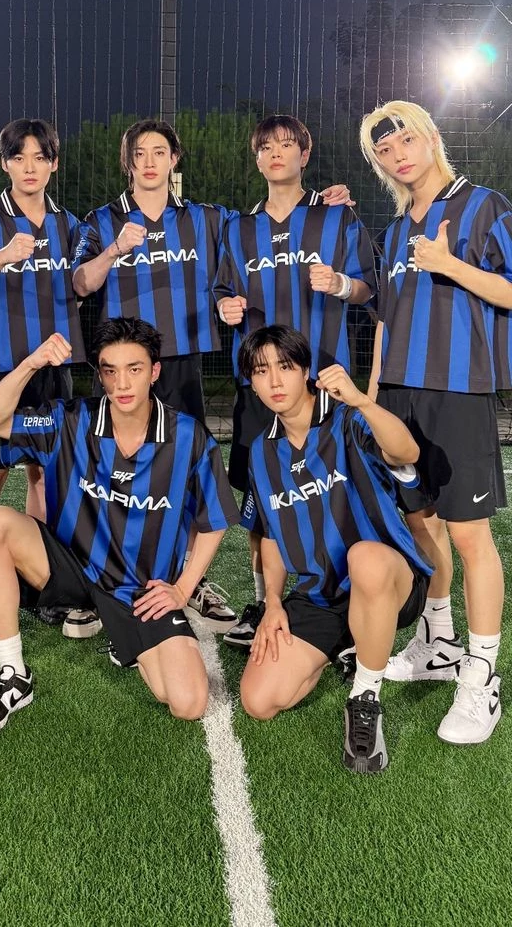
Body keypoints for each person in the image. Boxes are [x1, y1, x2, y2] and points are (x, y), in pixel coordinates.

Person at [0, 317, 239, 735]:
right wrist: (32, 363)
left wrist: (182, 589)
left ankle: (124, 637)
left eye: (134, 369)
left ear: (154, 371)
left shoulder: (188, 436)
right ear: (100, 375)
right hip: (72, 569)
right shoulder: (70, 420)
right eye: (110, 371)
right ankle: (13, 673)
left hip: (139, 590)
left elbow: (215, 519)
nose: (121, 383)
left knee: (189, 702)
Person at [360, 100, 511, 744]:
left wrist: (451, 266)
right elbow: (385, 321)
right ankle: (438, 643)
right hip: (400, 395)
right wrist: (373, 398)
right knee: (420, 524)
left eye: (406, 139)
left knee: (470, 535)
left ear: (431, 138)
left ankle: (482, 678)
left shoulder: (483, 206)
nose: (398, 154)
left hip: (459, 391)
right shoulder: (395, 230)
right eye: (384, 149)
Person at [237, 325, 432, 774]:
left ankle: (365, 696)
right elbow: (270, 535)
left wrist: (363, 400)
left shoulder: (347, 418)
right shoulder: (261, 452)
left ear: (306, 370)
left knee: (364, 557)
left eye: (285, 367)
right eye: (261, 371)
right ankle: (347, 645)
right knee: (259, 700)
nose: (275, 381)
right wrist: (272, 604)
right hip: (321, 596)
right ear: (251, 381)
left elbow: (407, 452)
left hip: (388, 580)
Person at [215, 114, 375, 649]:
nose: (276, 153)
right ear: (257, 158)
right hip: (260, 388)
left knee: (335, 492)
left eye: (287, 145)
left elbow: (369, 288)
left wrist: (341, 283)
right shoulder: (237, 229)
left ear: (304, 156)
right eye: (266, 147)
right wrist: (226, 308)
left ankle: (345, 604)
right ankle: (266, 602)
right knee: (263, 500)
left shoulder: (337, 217)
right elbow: (221, 292)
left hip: (323, 380)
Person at [71, 118, 237, 630]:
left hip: (180, 361)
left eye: (159, 152)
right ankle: (99, 582)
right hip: (120, 369)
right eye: (139, 153)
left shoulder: (207, 219)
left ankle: (190, 578)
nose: (149, 161)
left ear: (174, 159)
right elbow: (80, 283)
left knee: (185, 472)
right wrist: (114, 250)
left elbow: (267, 224)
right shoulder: (101, 221)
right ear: (128, 162)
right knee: (107, 473)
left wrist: (324, 204)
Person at [0, 117, 91, 638]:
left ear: (54, 164)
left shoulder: (70, 225)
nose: (29, 167)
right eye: (18, 157)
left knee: (44, 476)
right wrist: (3, 256)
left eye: (39, 157)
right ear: (5, 164)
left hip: (53, 371)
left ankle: (44, 586)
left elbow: (84, 282)